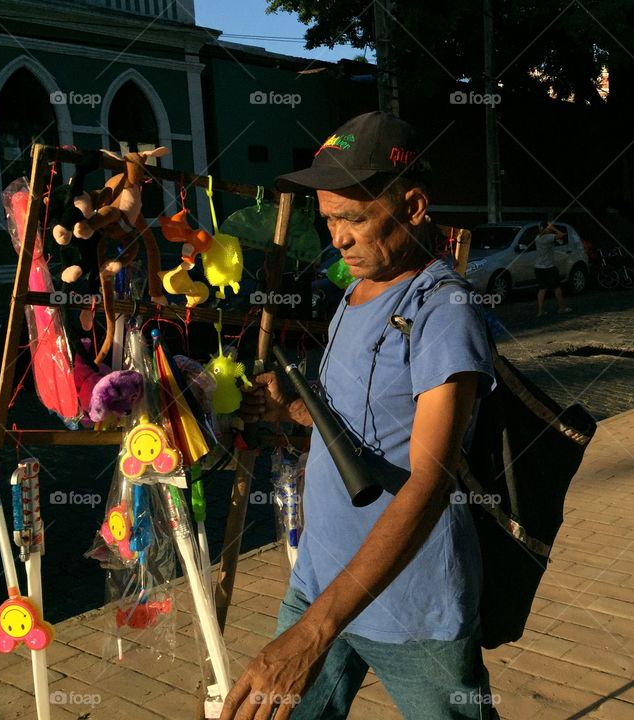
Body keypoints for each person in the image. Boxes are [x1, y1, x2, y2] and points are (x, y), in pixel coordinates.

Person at [221, 111, 499, 720]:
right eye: (329, 220)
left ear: (415, 205)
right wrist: (291, 409)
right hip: (321, 576)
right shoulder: (354, 291)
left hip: (412, 603)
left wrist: (313, 634)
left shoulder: (443, 310)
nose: (338, 238)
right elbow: (360, 421)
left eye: (353, 218)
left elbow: (430, 481)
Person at [533, 220, 573, 317]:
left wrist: (548, 228)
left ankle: (540, 311)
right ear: (546, 228)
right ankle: (561, 308)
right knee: (557, 287)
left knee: (542, 289)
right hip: (549, 267)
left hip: (538, 267)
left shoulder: (537, 238)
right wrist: (553, 228)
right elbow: (561, 235)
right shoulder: (548, 237)